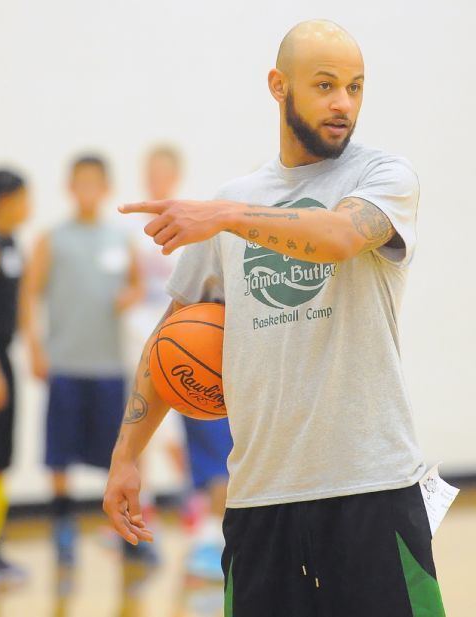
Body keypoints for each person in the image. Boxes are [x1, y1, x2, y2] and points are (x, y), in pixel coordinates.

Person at [104, 20, 446, 617]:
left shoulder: (382, 177)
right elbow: (172, 334)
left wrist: (230, 216)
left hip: (371, 489)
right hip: (260, 500)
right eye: (324, 85)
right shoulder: (231, 203)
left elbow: (341, 235)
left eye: (356, 87)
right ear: (278, 86)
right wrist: (127, 455)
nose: (344, 103)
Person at [21, 155, 144, 566]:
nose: (87, 189)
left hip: (109, 367)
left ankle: (127, 530)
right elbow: (29, 295)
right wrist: (36, 349)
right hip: (66, 364)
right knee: (59, 452)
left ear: (106, 187)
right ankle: (63, 526)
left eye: (95, 182)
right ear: (69, 187)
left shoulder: (119, 238)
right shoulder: (51, 238)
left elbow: (137, 285)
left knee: (122, 452)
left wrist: (130, 296)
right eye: (80, 183)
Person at [127, 145, 232, 580]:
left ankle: (209, 532)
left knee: (206, 446)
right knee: (154, 438)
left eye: (162, 172)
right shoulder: (129, 231)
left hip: (192, 343)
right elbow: (131, 285)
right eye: (149, 171)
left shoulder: (195, 222)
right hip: (151, 342)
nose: (156, 178)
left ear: (175, 174)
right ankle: (156, 515)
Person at [0, 170, 30, 585]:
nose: (29, 207)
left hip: (5, 356)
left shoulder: (12, 243)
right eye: (24, 198)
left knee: (1, 461)